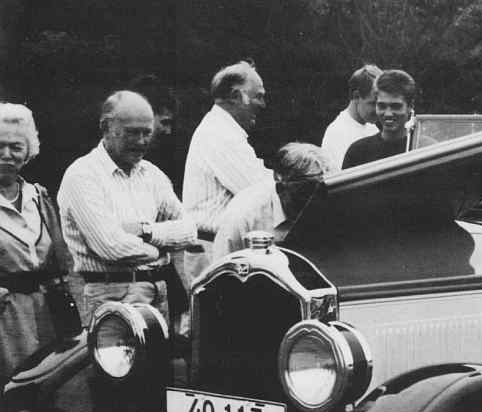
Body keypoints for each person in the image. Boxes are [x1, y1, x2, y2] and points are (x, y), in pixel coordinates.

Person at [0, 103, 76, 412]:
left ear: (30, 150)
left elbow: (60, 261)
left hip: (45, 321)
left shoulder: (40, 197)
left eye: (16, 146)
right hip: (3, 322)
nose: (7, 155)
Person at [58, 90, 197, 324]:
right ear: (106, 127)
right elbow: (111, 247)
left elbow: (190, 230)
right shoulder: (82, 176)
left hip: (159, 293)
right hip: (112, 295)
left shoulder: (152, 175)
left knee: (160, 350)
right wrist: (159, 252)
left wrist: (146, 231)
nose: (141, 141)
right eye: (132, 132)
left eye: (147, 133)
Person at [181, 61, 272, 290]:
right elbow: (259, 193)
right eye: (258, 96)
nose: (263, 105)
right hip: (212, 251)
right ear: (235, 96)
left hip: (217, 247)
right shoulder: (219, 134)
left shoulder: (224, 130)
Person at [213, 143, 331, 257]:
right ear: (280, 181)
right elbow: (222, 266)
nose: (312, 198)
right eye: (305, 190)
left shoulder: (326, 199)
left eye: (319, 189)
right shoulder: (242, 215)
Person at [342, 69, 417, 168]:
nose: (388, 113)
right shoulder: (357, 152)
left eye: (396, 106)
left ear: (410, 106)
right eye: (382, 106)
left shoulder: (422, 148)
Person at [321, 64, 382, 171]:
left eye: (381, 104)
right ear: (356, 96)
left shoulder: (371, 128)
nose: (378, 111)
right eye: (373, 103)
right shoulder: (337, 133)